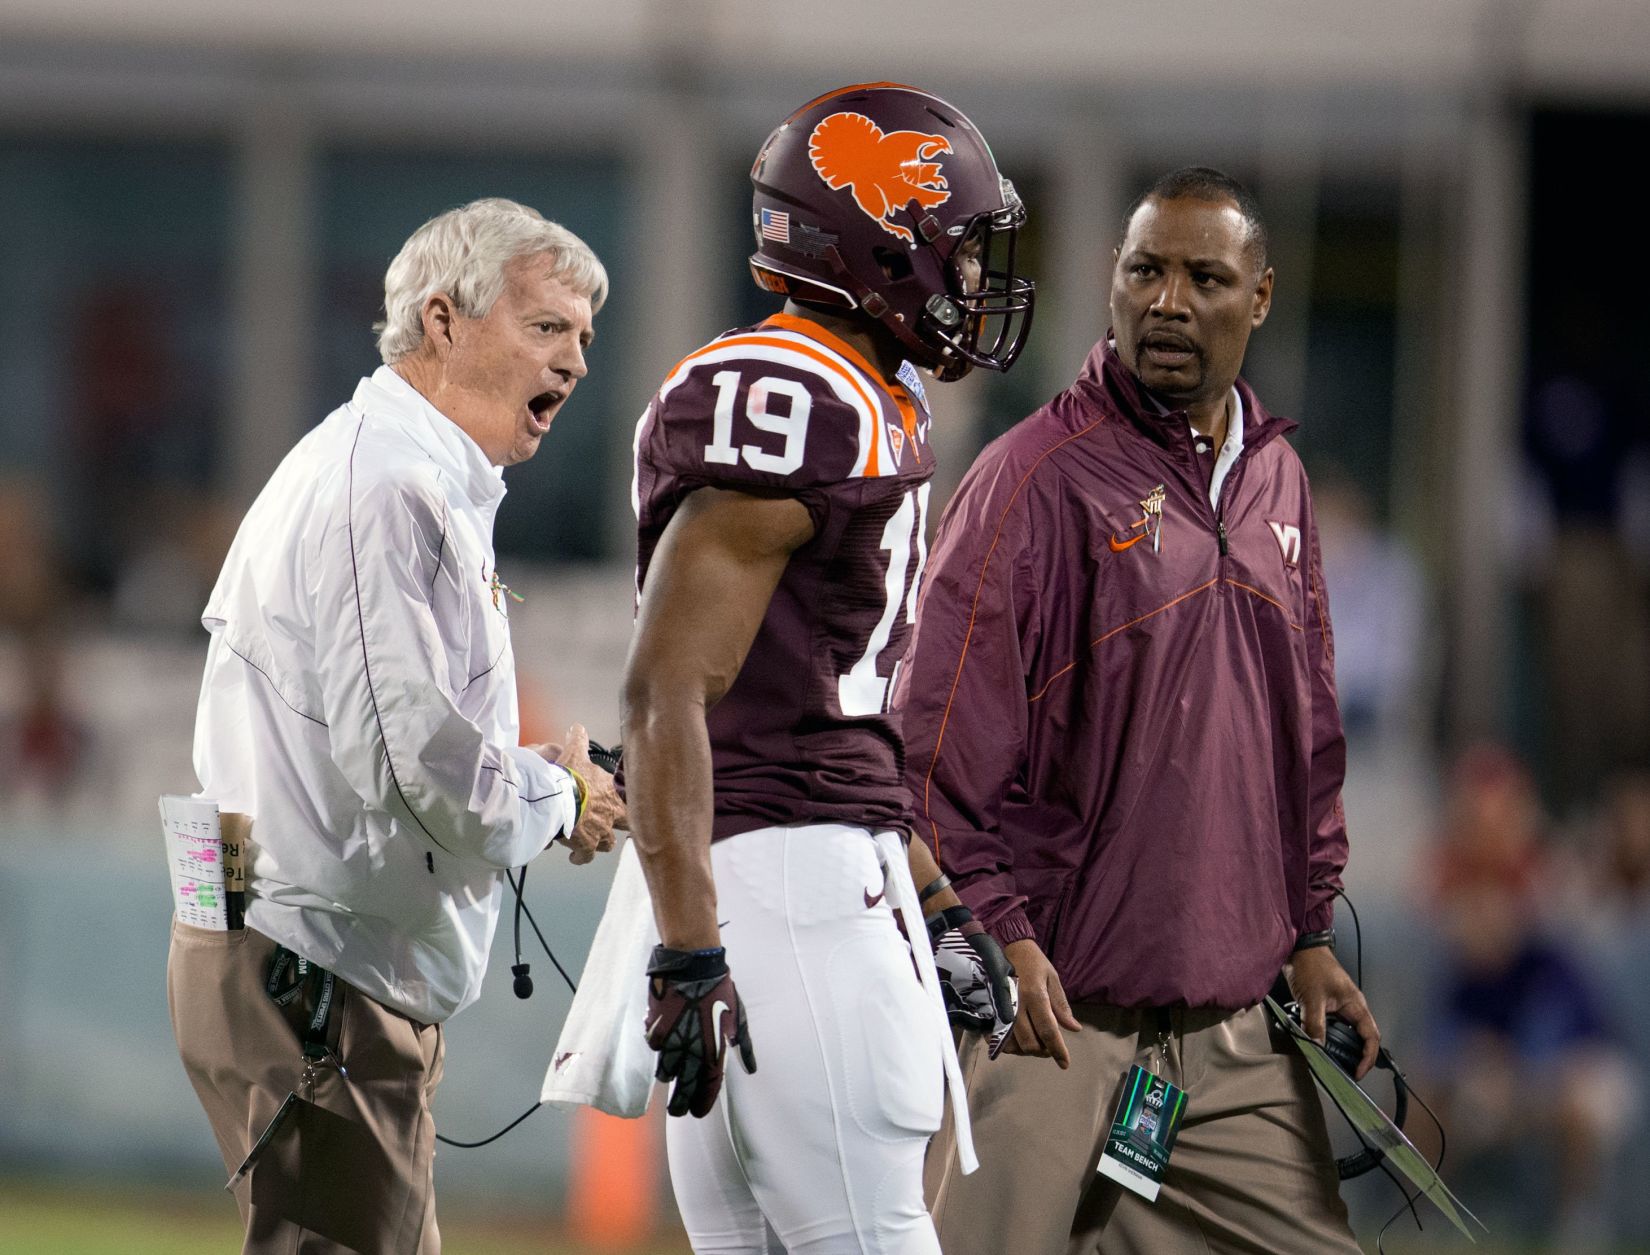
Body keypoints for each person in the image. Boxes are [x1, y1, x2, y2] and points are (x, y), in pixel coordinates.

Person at [900, 167, 1379, 1254]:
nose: (1168, 301)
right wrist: (997, 937)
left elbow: (1305, 734)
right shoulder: (1029, 481)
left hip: (1232, 1044)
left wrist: (1309, 931)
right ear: (1112, 284)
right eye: (1143, 270)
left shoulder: (1278, 480)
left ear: (1258, 297)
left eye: (1204, 276)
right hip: (1051, 1027)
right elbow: (928, 765)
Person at [167, 197, 624, 1254]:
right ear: (443, 322)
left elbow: (395, 741)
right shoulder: (389, 487)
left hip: (302, 956)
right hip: (314, 972)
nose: (578, 361)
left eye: (585, 337)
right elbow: (414, 765)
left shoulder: (400, 473)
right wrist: (561, 798)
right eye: (547, 325)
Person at [619, 83, 1030, 1254]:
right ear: (872, 242)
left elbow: (814, 708)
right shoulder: (797, 398)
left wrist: (939, 898)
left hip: (791, 897)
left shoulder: (855, 397)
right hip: (787, 921)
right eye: (952, 250)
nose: (967, 281)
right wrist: (693, 944)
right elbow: (665, 693)